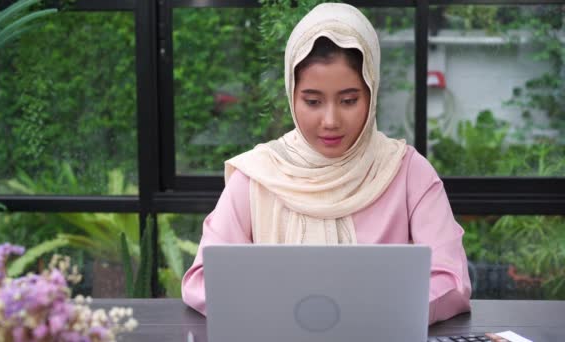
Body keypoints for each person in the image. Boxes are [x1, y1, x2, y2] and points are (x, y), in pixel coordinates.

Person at [181, 2, 471, 325]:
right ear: (292, 95)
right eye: (312, 101)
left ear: (371, 92)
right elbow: (204, 280)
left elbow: (451, 280)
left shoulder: (407, 173)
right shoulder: (258, 176)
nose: (330, 121)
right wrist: (288, 312)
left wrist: (377, 314)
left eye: (348, 100)